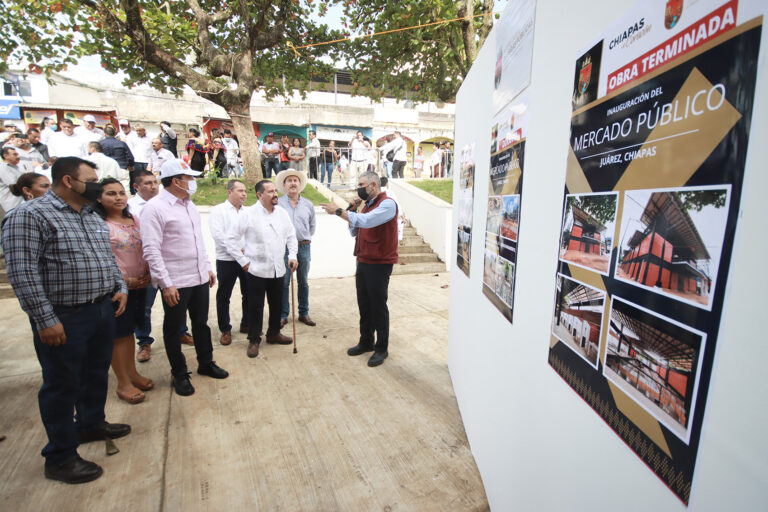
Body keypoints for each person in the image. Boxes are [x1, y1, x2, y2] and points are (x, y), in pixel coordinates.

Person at [1, 156, 130, 484]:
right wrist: (45, 319)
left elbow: (107, 258)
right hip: (64, 315)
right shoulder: (29, 216)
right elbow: (22, 272)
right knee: (61, 384)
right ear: (69, 181)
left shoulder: (90, 215)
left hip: (101, 309)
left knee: (95, 372)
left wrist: (120, 286)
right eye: (92, 179)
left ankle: (90, 423)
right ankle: (60, 456)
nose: (98, 185)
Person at [141, 159, 229, 395]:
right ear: (175, 181)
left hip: (198, 277)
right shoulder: (155, 207)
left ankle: (206, 362)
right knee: (173, 329)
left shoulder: (188, 204)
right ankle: (179, 373)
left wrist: (207, 266)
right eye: (189, 178)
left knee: (201, 324)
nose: (193, 182)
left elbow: (197, 240)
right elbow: (151, 249)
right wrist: (165, 283)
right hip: (175, 282)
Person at [320, 171, 398, 367]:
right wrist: (350, 209)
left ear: (373, 185)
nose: (359, 188)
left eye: (362, 184)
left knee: (378, 306)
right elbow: (355, 230)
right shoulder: (365, 207)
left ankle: (381, 348)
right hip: (363, 260)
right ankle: (366, 341)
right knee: (364, 304)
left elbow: (367, 222)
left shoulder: (388, 204)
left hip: (379, 263)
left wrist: (339, 211)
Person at [95, 179, 154, 404]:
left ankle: (132, 374)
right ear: (99, 198)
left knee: (128, 332)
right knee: (117, 335)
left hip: (140, 285)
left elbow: (145, 247)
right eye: (111, 193)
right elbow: (103, 259)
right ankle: (123, 382)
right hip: (118, 289)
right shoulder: (99, 223)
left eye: (121, 193)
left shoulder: (133, 219)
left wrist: (147, 274)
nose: (119, 197)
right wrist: (123, 281)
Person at [226, 180, 297, 358]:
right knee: (255, 306)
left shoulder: (282, 213)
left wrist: (292, 256)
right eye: (270, 191)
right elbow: (231, 240)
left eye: (275, 191)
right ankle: (254, 339)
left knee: (277, 304)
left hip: (278, 269)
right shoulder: (248, 214)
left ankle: (273, 333)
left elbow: (291, 236)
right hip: (256, 270)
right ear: (260, 195)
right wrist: (243, 261)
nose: (275, 194)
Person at [209, 180, 249, 345]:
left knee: (249, 293)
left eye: (245, 191)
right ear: (229, 192)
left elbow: (251, 234)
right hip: (226, 259)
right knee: (224, 295)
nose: (244, 194)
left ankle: (247, 324)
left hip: (246, 259)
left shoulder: (248, 212)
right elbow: (219, 236)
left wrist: (247, 251)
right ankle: (225, 329)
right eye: (240, 191)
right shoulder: (219, 210)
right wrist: (236, 250)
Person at [276, 170, 316, 327]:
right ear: (284, 185)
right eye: (289, 180)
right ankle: (283, 314)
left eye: (295, 180)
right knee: (284, 282)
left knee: (303, 281)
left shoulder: (308, 204)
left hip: (304, 247)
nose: (293, 183)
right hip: (284, 248)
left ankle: (303, 313)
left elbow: (312, 227)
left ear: (300, 185)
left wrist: (302, 237)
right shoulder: (278, 204)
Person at [0, 147, 24, 213]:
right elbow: (14, 185)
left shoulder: (15, 167)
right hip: (14, 206)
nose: (18, 156)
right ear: (6, 156)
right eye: (15, 154)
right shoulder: (3, 168)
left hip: (21, 204)